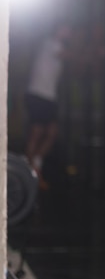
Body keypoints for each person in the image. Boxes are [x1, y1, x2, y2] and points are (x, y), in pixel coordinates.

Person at [24, 22, 73, 189]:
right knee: (37, 133)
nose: (69, 32)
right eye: (67, 28)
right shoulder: (51, 43)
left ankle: (34, 165)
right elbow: (70, 56)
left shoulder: (53, 45)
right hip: (39, 95)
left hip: (47, 97)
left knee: (51, 132)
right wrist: (92, 52)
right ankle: (30, 174)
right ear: (59, 29)